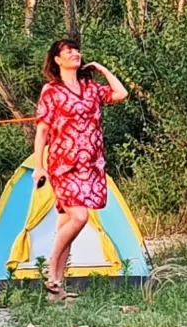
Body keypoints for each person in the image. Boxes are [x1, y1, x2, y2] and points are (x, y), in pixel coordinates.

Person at [32, 38, 128, 301]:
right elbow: (42, 131)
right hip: (64, 164)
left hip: (91, 165)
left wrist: (102, 69)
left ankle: (56, 288)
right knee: (80, 217)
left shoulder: (90, 88)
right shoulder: (51, 91)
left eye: (76, 50)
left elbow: (120, 94)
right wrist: (39, 166)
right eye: (68, 51)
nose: (75, 53)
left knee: (68, 224)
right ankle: (51, 267)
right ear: (57, 59)